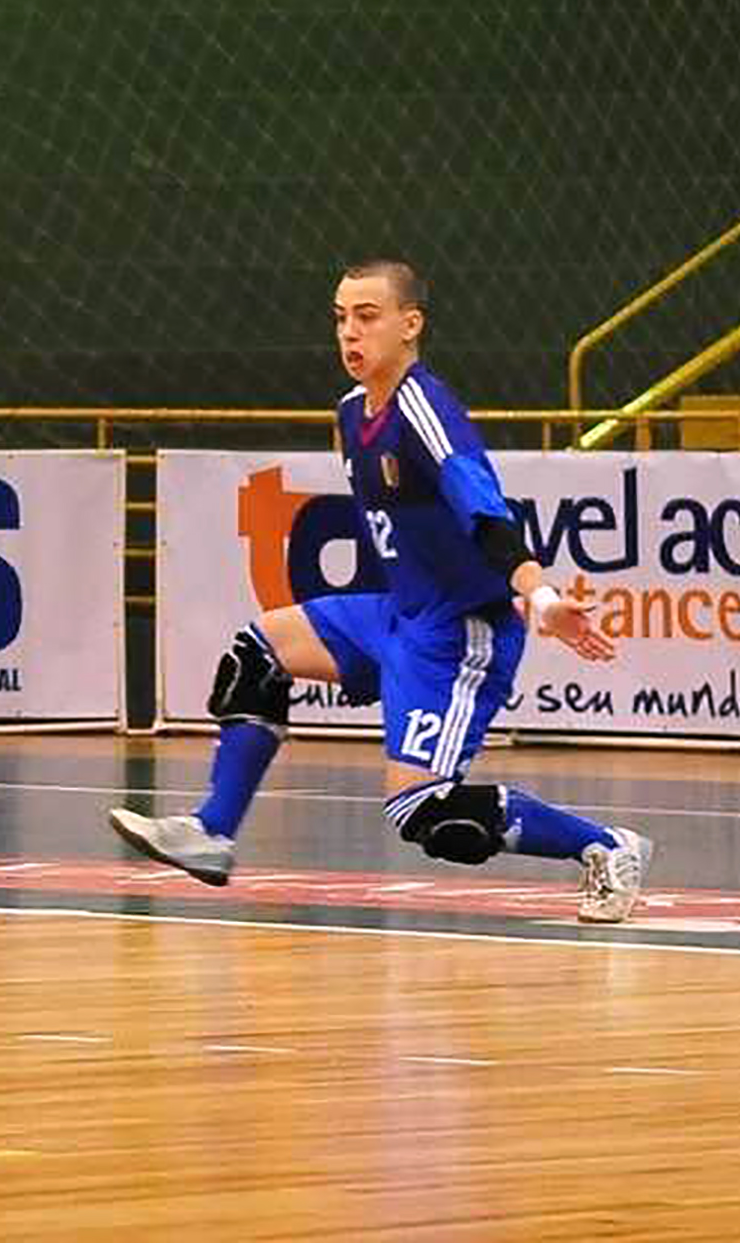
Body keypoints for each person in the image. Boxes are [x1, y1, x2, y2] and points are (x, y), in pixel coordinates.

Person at [108, 259, 652, 922]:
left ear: (410, 325)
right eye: (340, 318)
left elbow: (485, 513)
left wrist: (537, 595)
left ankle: (605, 847)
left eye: (367, 317)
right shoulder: (349, 411)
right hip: (397, 614)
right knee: (259, 650)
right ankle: (213, 831)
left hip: (458, 632)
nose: (349, 333)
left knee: (425, 813)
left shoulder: (424, 409)